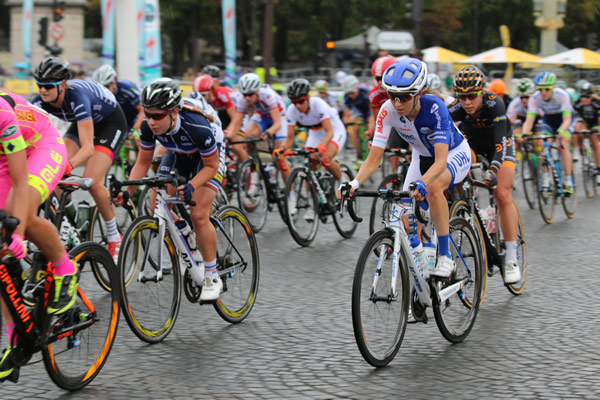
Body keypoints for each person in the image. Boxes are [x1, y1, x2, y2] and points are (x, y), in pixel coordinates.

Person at [338, 58, 472, 278]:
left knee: (435, 186)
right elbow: (373, 160)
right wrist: (354, 183)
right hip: (421, 157)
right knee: (407, 223)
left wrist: (423, 182)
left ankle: (446, 256)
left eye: (405, 97)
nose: (397, 103)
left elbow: (439, 162)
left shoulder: (434, 107)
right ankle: (423, 272)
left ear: (419, 93)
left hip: (453, 154)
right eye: (392, 96)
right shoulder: (387, 110)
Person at [114, 78, 225, 301]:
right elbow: (142, 163)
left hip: (208, 158)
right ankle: (188, 238)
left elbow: (211, 166)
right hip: (177, 151)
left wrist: (193, 185)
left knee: (199, 214)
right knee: (156, 203)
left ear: (174, 112)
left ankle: (212, 276)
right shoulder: (148, 126)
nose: (151, 121)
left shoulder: (197, 125)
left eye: (157, 116)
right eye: (147, 114)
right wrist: (127, 192)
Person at [0, 89, 77, 381]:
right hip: (4, 158)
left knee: (23, 216)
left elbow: (20, 184)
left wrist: (17, 234)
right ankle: (16, 339)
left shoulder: (2, 114)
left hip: (41, 146)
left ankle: (64, 267)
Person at [31, 57, 127, 258]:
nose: (43, 90)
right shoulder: (39, 102)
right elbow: (30, 136)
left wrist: (69, 165)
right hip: (81, 121)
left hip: (111, 123)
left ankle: (113, 236)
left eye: (48, 86)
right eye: (40, 85)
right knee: (52, 174)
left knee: (92, 180)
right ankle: (70, 222)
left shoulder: (77, 97)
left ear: (63, 85)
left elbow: (87, 149)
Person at [448, 66, 520, 283]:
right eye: (462, 96)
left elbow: (500, 143)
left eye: (472, 96)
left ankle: (511, 257)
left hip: (499, 143)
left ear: (481, 92)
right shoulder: (457, 107)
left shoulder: (494, 103)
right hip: (472, 143)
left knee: (502, 194)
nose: (467, 102)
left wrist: (494, 170)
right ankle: (469, 203)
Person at [282, 79, 347, 220]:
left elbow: (329, 132)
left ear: (308, 98)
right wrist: (281, 150)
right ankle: (313, 205)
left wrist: (322, 146)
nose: (298, 106)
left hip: (334, 131)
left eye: (301, 101)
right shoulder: (292, 110)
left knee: (325, 158)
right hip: (316, 133)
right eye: (294, 102)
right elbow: (289, 139)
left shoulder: (318, 104)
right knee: (309, 163)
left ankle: (344, 184)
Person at [521, 71, 575, 195]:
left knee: (563, 144)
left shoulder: (562, 95)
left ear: (553, 88)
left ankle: (568, 180)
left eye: (547, 89)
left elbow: (567, 120)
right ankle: (547, 178)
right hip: (549, 120)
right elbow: (530, 120)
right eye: (540, 89)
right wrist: (524, 133)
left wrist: (561, 131)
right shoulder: (534, 98)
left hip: (564, 119)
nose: (543, 92)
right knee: (543, 143)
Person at [367, 55, 409, 172]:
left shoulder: (405, 88)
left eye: (383, 78)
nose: (380, 83)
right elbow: (377, 119)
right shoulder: (374, 95)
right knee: (394, 159)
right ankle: (395, 178)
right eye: (377, 78)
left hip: (411, 124)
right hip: (394, 125)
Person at [92, 64, 145, 153]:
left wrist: (135, 129)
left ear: (114, 82)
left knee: (136, 137)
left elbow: (142, 110)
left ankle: (140, 162)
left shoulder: (126, 87)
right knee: (122, 139)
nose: (104, 90)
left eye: (106, 86)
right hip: (122, 116)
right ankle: (126, 164)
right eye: (100, 87)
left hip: (136, 113)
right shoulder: (99, 94)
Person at [572, 81, 600, 184]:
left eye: (587, 97)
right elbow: (575, 119)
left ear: (591, 96)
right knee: (578, 130)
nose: (584, 99)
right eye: (582, 96)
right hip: (583, 122)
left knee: (595, 141)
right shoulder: (577, 104)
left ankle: (598, 169)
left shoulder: (597, 103)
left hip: (594, 122)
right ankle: (581, 147)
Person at [342, 74, 371, 164]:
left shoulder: (366, 92)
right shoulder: (347, 97)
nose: (350, 95)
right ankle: (356, 152)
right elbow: (346, 113)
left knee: (370, 129)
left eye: (352, 93)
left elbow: (372, 111)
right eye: (348, 94)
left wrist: (369, 124)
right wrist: (346, 125)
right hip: (359, 112)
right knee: (355, 128)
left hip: (370, 109)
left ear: (357, 88)